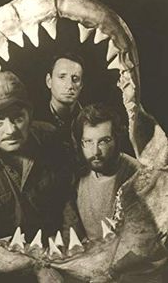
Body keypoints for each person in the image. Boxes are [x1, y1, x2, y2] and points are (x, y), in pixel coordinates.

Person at [0, 71, 72, 282]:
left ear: (30, 112)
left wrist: (68, 256)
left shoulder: (50, 137)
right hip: (4, 271)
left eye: (18, 118)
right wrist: (36, 268)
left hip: (57, 253)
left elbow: (68, 200)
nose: (10, 130)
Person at [64, 103, 164, 283]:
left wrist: (110, 272)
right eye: (88, 142)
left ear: (117, 139)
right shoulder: (78, 178)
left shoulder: (140, 177)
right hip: (98, 269)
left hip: (139, 274)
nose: (95, 152)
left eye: (104, 141)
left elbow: (148, 246)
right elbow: (72, 232)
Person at [37, 52, 84, 144]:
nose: (70, 85)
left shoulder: (91, 119)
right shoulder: (34, 120)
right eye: (62, 77)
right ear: (49, 81)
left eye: (75, 79)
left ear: (81, 85)